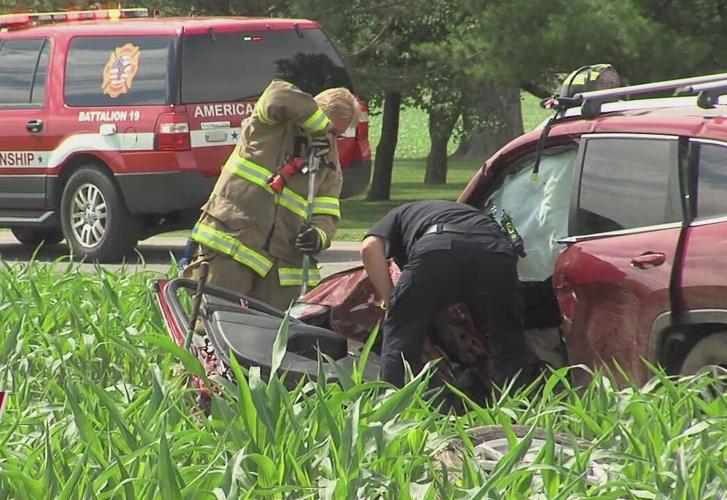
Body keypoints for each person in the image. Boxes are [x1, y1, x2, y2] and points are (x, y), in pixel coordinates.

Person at [184, 80, 360, 310]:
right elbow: (277, 94)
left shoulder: (328, 163)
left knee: (270, 335)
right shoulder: (268, 128)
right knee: (214, 320)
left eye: (337, 134)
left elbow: (327, 212)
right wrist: (318, 126)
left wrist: (318, 235)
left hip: (281, 264)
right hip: (232, 243)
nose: (331, 139)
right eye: (329, 130)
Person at [360, 200, 540, 389]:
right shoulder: (469, 211)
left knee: (403, 330)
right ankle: (515, 404)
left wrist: (391, 301)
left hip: (437, 248)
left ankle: (392, 403)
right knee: (506, 333)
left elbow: (369, 247)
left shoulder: (397, 214)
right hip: (494, 250)